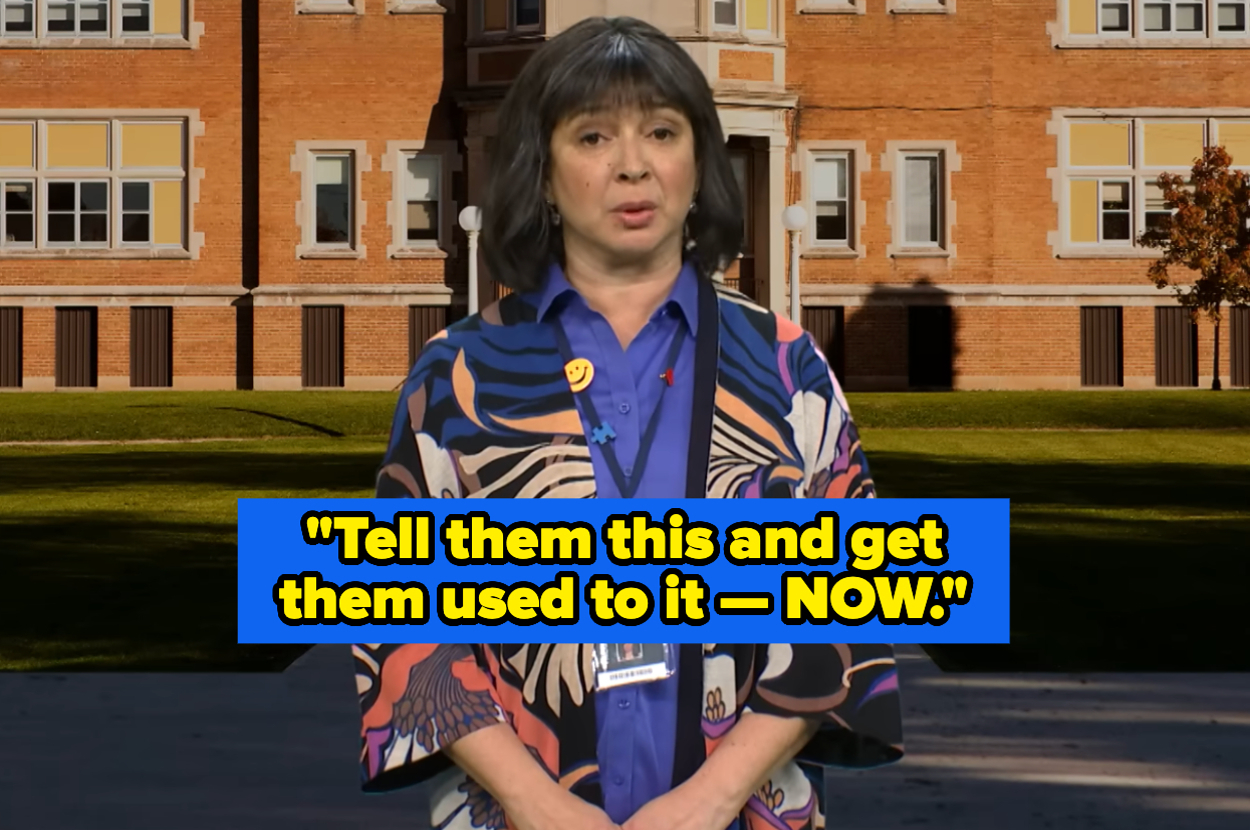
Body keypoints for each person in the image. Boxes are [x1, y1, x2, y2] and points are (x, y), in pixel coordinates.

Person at [355, 16, 903, 830]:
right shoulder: (455, 375)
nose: (633, 164)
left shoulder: (787, 368)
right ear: (541, 175)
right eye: (592, 137)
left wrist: (708, 803)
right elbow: (401, 614)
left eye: (660, 130)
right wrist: (536, 805)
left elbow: (853, 600)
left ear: (697, 162)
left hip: (744, 812)